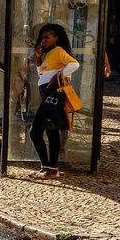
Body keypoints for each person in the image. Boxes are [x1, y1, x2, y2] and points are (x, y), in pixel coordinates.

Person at [29, 23, 81, 179]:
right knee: (51, 130)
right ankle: (50, 169)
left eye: (47, 37)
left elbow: (74, 64)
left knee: (35, 131)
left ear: (56, 38)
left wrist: (58, 76)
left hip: (54, 94)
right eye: (42, 37)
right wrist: (38, 59)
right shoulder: (48, 54)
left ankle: (49, 167)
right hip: (47, 93)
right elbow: (42, 74)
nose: (43, 40)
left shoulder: (59, 51)